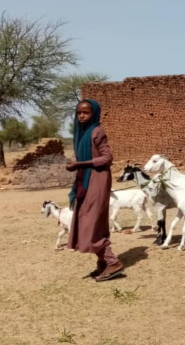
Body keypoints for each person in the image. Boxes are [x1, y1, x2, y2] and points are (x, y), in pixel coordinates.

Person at [66, 99, 124, 282]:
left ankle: (111, 261)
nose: (81, 116)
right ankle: (103, 264)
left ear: (94, 114)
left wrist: (81, 164)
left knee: (90, 224)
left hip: (97, 182)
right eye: (79, 113)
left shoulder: (97, 132)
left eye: (86, 113)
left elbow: (107, 158)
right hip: (86, 181)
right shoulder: (83, 134)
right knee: (90, 222)